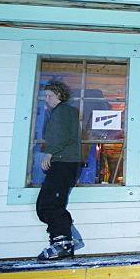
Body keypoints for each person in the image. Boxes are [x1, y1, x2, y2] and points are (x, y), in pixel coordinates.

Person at [36, 80, 82, 261]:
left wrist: (49, 153)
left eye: (50, 95)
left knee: (50, 205)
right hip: (65, 162)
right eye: (46, 96)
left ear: (60, 95)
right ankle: (67, 240)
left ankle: (63, 244)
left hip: (64, 162)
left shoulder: (63, 111)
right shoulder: (61, 111)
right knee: (50, 203)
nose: (47, 99)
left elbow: (59, 135)